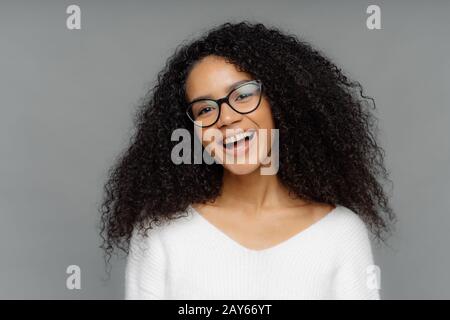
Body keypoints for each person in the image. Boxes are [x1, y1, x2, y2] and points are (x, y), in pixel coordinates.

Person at [99, 21, 396, 299]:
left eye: (242, 95)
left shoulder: (340, 233)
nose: (226, 118)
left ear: (280, 99)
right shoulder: (160, 234)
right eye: (204, 110)